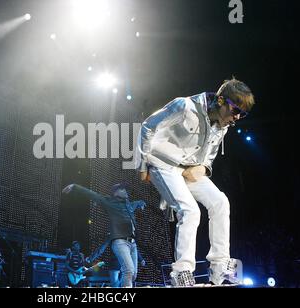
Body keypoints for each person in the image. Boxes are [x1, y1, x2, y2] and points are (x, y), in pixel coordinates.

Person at [135, 78, 255, 286]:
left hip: (188, 169)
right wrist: (142, 164)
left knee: (220, 202)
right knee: (190, 211)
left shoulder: (222, 126)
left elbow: (210, 154)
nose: (236, 118)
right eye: (236, 111)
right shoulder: (184, 107)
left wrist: (204, 167)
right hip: (162, 163)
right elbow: (148, 126)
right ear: (220, 100)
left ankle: (220, 268)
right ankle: (181, 273)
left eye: (242, 115)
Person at [63, 183, 146, 287]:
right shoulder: (110, 203)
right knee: (129, 271)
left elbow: (138, 203)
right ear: (115, 193)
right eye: (122, 189)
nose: (125, 191)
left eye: (125, 189)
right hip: (120, 242)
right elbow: (93, 194)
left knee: (133, 275)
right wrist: (75, 186)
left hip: (133, 244)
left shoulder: (129, 205)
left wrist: (142, 203)